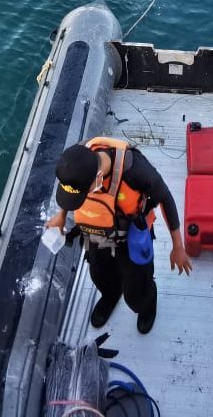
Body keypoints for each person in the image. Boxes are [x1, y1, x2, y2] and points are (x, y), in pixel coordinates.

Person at [46, 138, 192, 334]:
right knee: (99, 276)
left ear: (98, 178)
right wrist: (61, 215)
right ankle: (110, 295)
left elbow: (165, 197)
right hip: (96, 236)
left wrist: (178, 246)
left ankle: (146, 304)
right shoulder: (76, 161)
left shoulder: (136, 170)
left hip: (130, 239)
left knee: (136, 293)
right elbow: (71, 188)